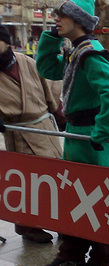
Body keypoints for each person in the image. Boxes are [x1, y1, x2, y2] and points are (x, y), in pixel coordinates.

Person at [36, 0, 109, 266]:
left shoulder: (90, 53)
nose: (56, 20)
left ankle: (104, 256)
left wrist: (102, 132)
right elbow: (46, 69)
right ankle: (72, 254)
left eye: (62, 16)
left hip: (91, 138)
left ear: (78, 20)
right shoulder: (76, 52)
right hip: (77, 134)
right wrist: (50, 39)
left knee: (98, 197)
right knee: (74, 196)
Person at [0, 24, 63, 243]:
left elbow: (49, 88)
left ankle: (63, 222)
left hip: (43, 127)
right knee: (26, 181)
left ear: (6, 41)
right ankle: (27, 226)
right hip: (18, 132)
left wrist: (58, 112)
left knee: (55, 175)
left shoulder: (27, 62)